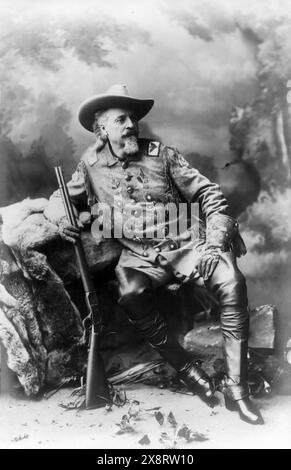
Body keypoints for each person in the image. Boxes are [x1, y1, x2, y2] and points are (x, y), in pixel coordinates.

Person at [44, 84, 264, 425]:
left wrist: (215, 241)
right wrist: (62, 220)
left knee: (231, 281)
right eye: (121, 120)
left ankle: (238, 391)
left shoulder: (163, 154)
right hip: (138, 255)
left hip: (185, 242)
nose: (132, 125)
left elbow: (208, 193)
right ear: (101, 128)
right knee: (131, 294)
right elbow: (61, 198)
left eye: (133, 118)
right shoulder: (89, 165)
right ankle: (191, 374)